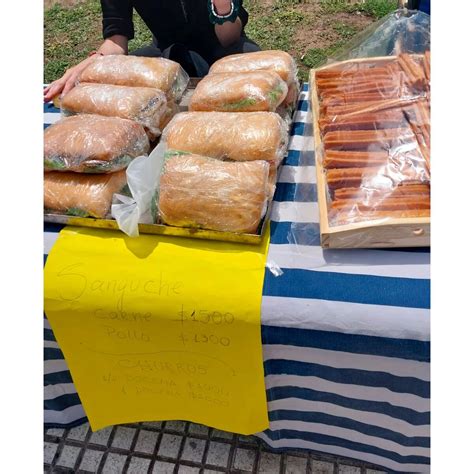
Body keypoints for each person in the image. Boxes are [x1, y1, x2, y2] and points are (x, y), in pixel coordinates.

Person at [44, 0, 260, 102]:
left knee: (257, 84)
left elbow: (228, 38)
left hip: (225, 50)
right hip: (167, 54)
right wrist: (97, 61)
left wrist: (222, 6)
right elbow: (116, 39)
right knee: (114, 88)